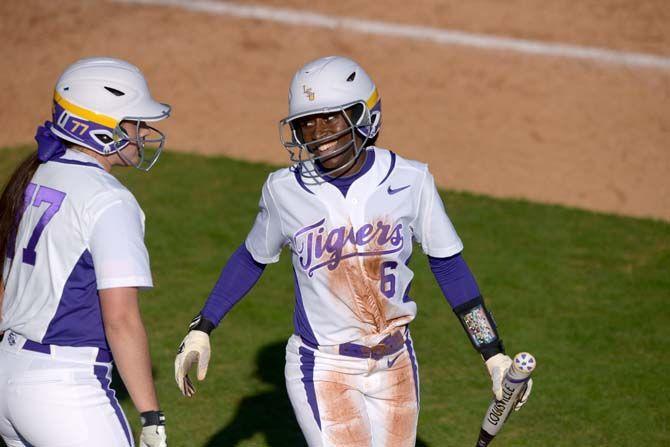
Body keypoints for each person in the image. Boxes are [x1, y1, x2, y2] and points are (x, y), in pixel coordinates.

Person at [174, 55, 532, 446]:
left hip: (397, 362)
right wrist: (202, 327)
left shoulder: (411, 180)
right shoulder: (284, 191)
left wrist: (492, 353)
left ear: (365, 117)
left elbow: (449, 267)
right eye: (306, 123)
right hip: (324, 365)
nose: (317, 133)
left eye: (330, 118)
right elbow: (250, 258)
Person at [0, 57, 170, 447]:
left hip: (7, 376)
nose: (142, 132)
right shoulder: (110, 201)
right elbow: (121, 320)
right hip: (63, 392)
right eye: (133, 123)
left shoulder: (37, 175)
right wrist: (151, 416)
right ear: (100, 129)